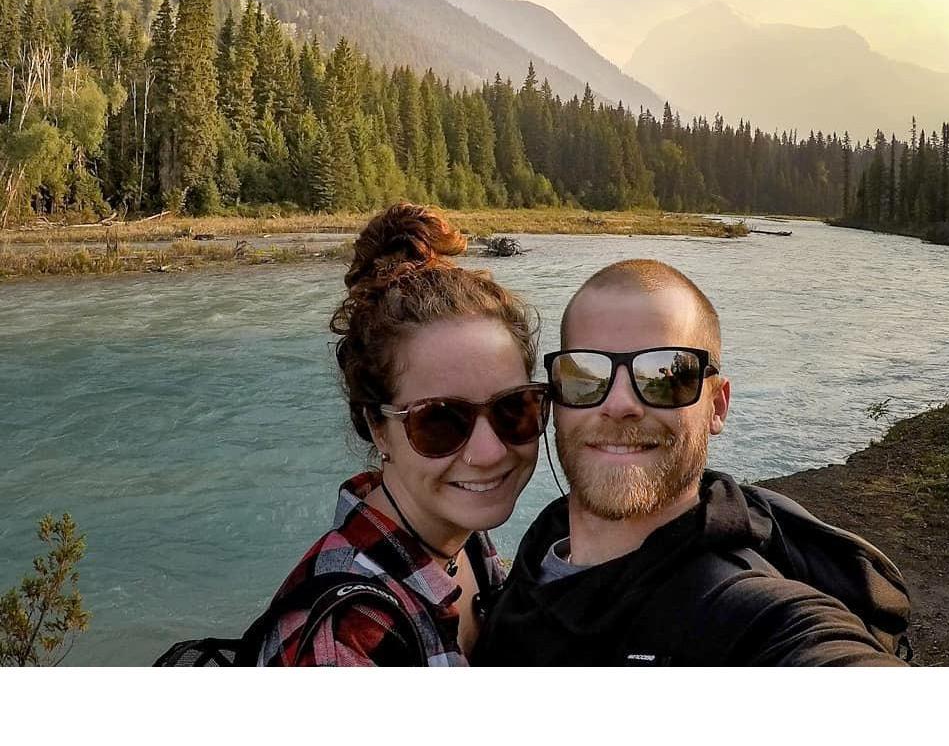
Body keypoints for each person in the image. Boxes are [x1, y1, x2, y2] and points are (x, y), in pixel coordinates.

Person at [471, 258, 907, 666]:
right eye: (587, 375)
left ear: (717, 406)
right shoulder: (543, 540)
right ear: (555, 398)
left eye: (666, 375)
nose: (619, 403)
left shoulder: (740, 609)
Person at [258, 203, 548, 666]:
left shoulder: (461, 538)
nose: (489, 451)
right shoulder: (342, 641)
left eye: (513, 407)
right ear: (378, 426)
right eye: (439, 421)